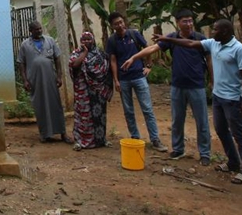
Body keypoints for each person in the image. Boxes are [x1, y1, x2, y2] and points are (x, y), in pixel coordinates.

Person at [155, 18, 242, 184]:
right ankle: (233, 163)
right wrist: (167, 39)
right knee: (222, 131)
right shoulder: (213, 43)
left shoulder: (239, 49)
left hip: (232, 99)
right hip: (218, 97)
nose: (212, 32)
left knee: (239, 134)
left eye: (215, 30)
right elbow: (189, 43)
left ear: (224, 32)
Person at [121, 9, 212, 166]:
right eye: (185, 21)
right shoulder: (172, 38)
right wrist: (134, 57)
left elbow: (209, 59)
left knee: (202, 121)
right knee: (177, 120)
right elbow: (153, 49)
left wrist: (212, 79)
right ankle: (178, 149)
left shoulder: (199, 39)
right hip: (177, 86)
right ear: (178, 23)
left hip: (197, 85)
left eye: (191, 20)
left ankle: (205, 153)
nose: (189, 24)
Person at [106, 12, 168, 153]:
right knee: (128, 111)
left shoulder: (134, 34)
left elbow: (147, 49)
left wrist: (148, 66)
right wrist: (116, 80)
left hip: (139, 77)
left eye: (121, 22)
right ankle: (135, 138)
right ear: (112, 26)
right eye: (116, 23)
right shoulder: (112, 41)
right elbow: (113, 61)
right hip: (124, 80)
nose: (120, 25)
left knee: (147, 109)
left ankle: (155, 139)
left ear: (124, 22)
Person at [17, 21, 73, 143]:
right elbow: (21, 63)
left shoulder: (50, 40)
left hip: (50, 79)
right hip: (35, 80)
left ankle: (63, 134)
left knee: (56, 105)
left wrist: (59, 76)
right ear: (31, 31)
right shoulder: (25, 45)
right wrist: (25, 80)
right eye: (36, 29)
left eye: (40, 28)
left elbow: (57, 58)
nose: (39, 31)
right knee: (40, 106)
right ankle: (45, 134)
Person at [68, 31, 114, 150]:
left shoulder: (100, 54)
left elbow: (105, 70)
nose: (86, 41)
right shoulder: (76, 53)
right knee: (84, 116)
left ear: (93, 40)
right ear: (80, 41)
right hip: (83, 90)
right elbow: (74, 65)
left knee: (100, 116)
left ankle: (100, 140)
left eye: (89, 39)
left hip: (98, 91)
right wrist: (85, 53)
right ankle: (80, 141)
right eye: (84, 39)